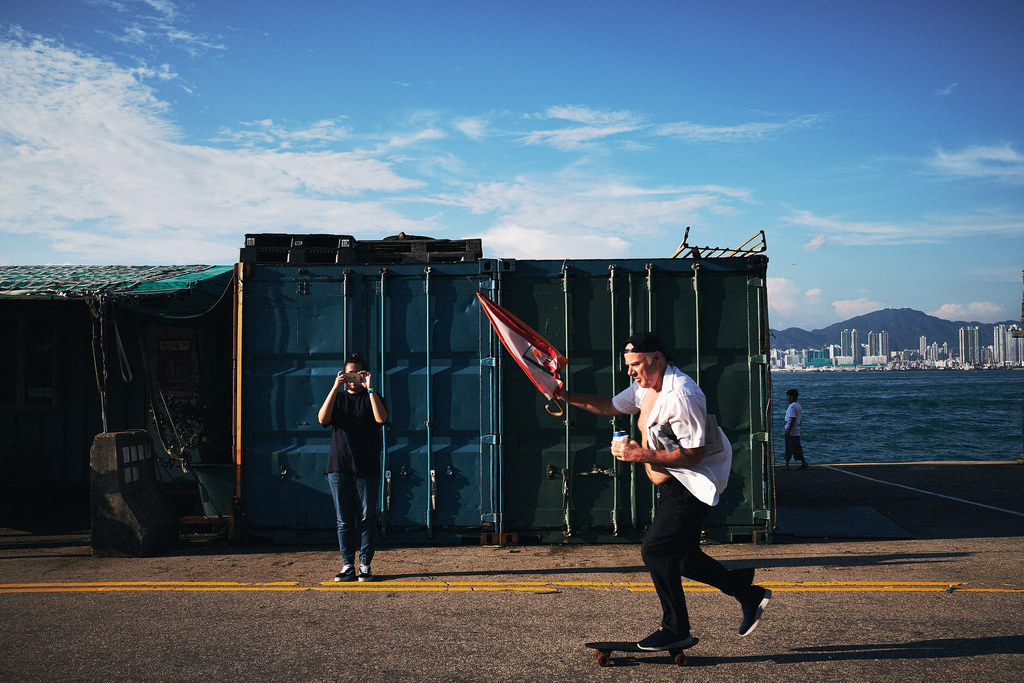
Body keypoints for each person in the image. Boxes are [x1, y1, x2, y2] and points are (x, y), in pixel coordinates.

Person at [556, 332, 771, 650]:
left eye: (636, 364)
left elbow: (694, 455)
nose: (630, 371)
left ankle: (675, 629)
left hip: (692, 483)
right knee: (683, 559)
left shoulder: (681, 395)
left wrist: (639, 455)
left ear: (657, 358)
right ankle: (747, 592)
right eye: (628, 365)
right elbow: (609, 406)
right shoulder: (645, 388)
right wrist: (563, 395)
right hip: (673, 481)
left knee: (656, 551)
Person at [317, 352, 389, 582]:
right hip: (339, 466)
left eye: (357, 374)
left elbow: (381, 419)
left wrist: (370, 388)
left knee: (368, 517)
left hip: (366, 466)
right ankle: (347, 564)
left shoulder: (372, 397)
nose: (353, 379)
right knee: (344, 520)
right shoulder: (337, 399)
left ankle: (365, 565)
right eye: (349, 374)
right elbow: (322, 419)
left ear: (364, 374)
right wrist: (333, 388)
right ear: (343, 375)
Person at [784, 388, 807, 470]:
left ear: (792, 397)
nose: (787, 398)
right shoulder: (798, 405)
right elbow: (799, 419)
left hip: (791, 431)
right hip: (796, 430)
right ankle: (803, 462)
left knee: (789, 448)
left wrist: (788, 430)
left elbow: (792, 419)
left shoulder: (792, 406)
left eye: (788, 396)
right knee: (796, 447)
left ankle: (787, 465)